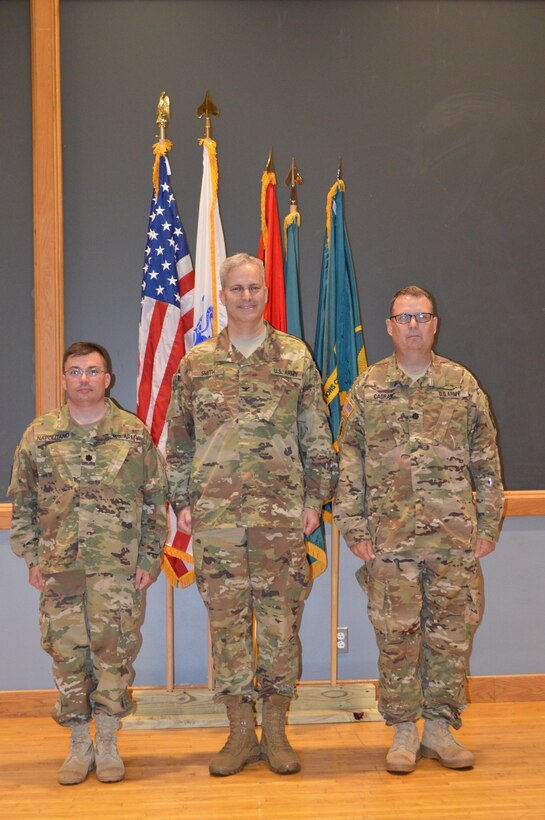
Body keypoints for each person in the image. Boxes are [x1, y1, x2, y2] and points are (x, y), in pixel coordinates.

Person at [166, 252, 337, 776]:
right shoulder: (197, 363)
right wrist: (183, 501)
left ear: (266, 293)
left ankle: (278, 731)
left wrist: (314, 499)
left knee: (282, 622)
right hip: (216, 518)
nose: (246, 297)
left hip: (281, 516)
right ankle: (240, 732)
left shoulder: (294, 357)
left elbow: (317, 436)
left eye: (255, 288)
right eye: (237, 288)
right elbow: (176, 441)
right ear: (222, 293)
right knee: (227, 624)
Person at [334, 286, 503, 774]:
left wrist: (488, 521)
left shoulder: (461, 384)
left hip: (454, 540)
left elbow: (485, 460)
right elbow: (349, 461)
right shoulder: (367, 389)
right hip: (389, 540)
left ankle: (440, 730)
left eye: (422, 317)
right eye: (403, 317)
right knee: (397, 636)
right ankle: (404, 730)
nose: (412, 325)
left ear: (435, 324)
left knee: (450, 636)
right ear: (388, 326)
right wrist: (353, 526)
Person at [9, 341, 167, 785]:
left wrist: (150, 558)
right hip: (60, 568)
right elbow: (22, 501)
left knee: (114, 654)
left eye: (93, 371)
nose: (84, 379)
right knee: (67, 655)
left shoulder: (133, 434)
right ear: (63, 380)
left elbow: (155, 501)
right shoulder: (39, 435)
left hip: (117, 569)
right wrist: (31, 554)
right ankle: (80, 743)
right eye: (75, 371)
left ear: (107, 379)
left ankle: (110, 741)